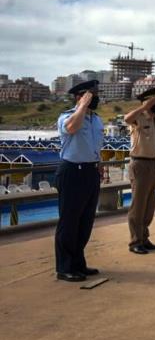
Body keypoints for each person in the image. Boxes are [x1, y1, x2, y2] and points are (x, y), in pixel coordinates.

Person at [54, 80, 104, 282]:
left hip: (90, 171)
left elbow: (95, 144)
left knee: (85, 222)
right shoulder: (67, 116)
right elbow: (72, 128)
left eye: (95, 94)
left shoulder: (96, 119)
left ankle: (78, 263)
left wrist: (99, 163)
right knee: (69, 222)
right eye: (90, 95)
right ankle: (64, 267)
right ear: (79, 97)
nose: (95, 98)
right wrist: (82, 105)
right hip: (72, 171)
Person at [124, 87, 155, 255]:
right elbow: (126, 119)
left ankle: (144, 237)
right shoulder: (138, 117)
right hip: (140, 164)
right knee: (138, 205)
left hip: (154, 164)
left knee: (149, 206)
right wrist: (144, 107)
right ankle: (135, 241)